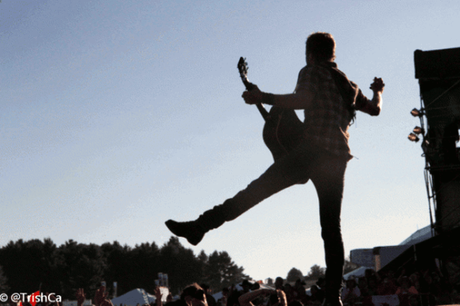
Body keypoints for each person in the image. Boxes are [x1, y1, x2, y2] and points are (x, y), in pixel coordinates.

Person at [166, 32, 384, 306]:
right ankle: (333, 298)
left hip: (310, 152)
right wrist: (379, 90)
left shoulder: (311, 71)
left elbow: (302, 100)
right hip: (336, 159)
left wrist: (262, 96)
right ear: (333, 54)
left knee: (253, 193)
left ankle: (201, 226)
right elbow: (375, 109)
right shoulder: (348, 86)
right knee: (331, 229)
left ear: (311, 54)